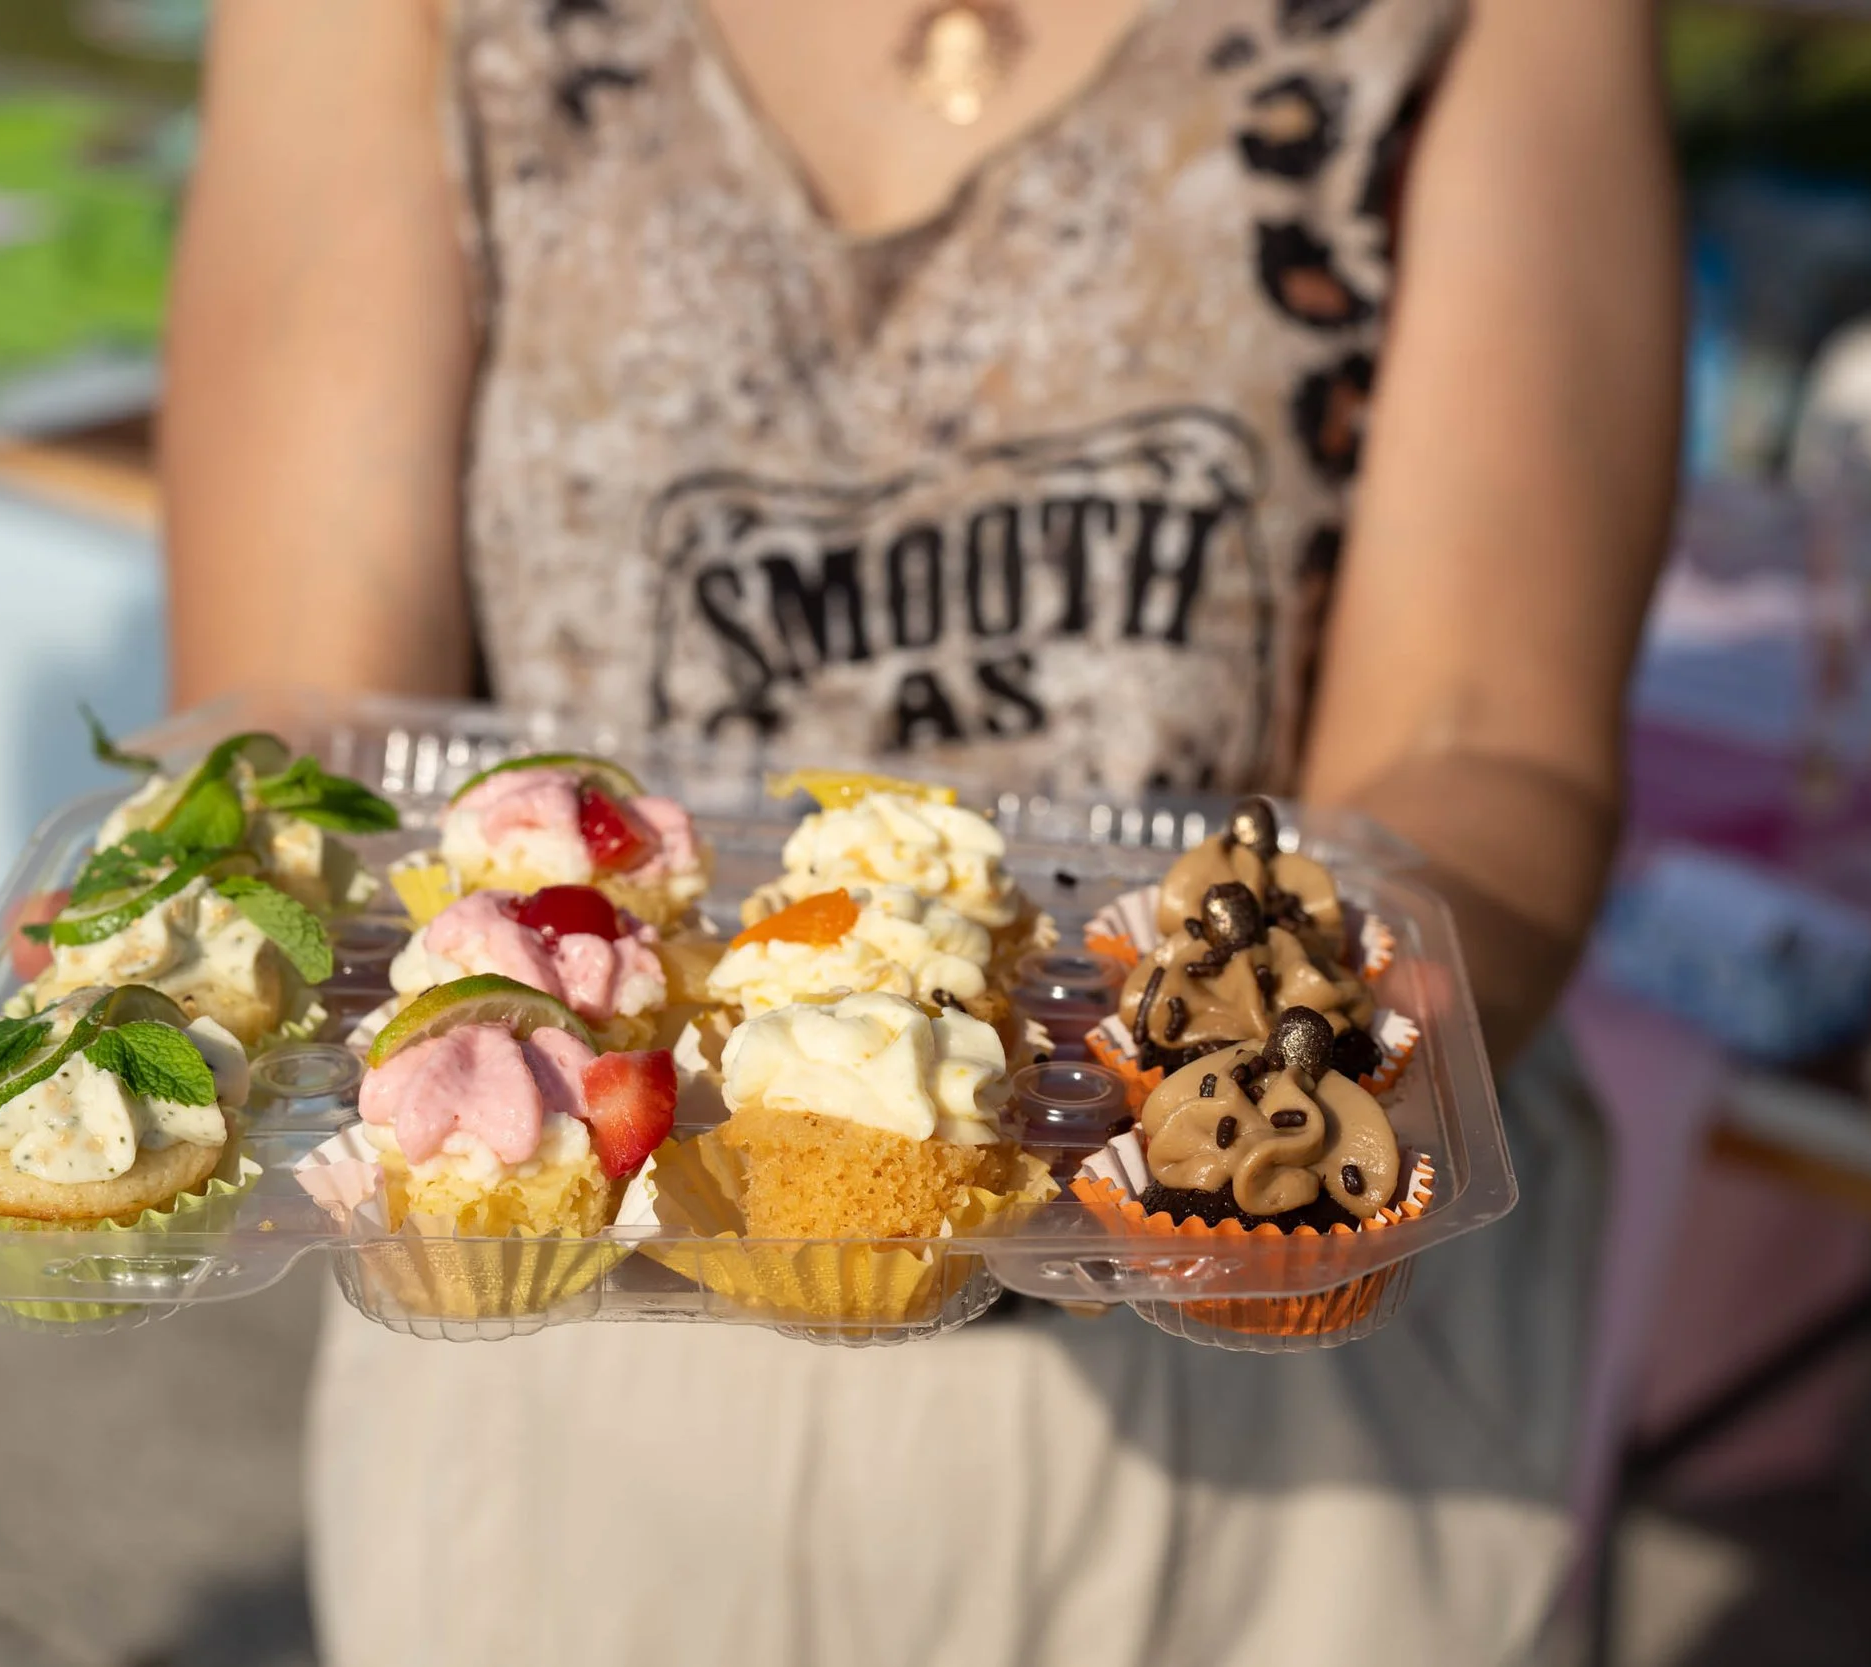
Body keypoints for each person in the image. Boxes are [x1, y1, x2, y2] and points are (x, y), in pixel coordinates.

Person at [165, 0, 1680, 1661]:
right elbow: (313, 679)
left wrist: (1348, 1012)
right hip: (576, 1367)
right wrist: (179, 910)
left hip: (1284, 1420)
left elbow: (1485, 726)